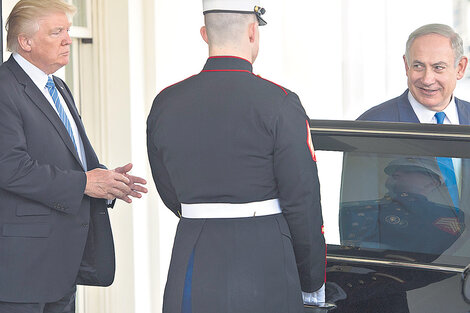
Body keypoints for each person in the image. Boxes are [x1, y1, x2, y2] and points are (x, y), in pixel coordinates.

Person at [146, 1, 326, 312]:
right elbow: (302, 198)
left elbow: (168, 189)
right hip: (265, 253)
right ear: (253, 31)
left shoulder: (165, 102)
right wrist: (311, 279)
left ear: (205, 34)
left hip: (194, 249)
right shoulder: (280, 102)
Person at [0, 1, 147, 312]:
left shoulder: (58, 86)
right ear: (25, 42)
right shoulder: (4, 88)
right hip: (21, 271)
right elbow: (10, 168)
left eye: (67, 30)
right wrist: (84, 183)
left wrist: (107, 181)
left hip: (62, 266)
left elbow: (69, 158)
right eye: (57, 32)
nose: (68, 39)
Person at [358, 23, 470, 123]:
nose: (427, 80)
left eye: (438, 67)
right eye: (418, 66)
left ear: (460, 68)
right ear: (407, 66)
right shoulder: (371, 124)